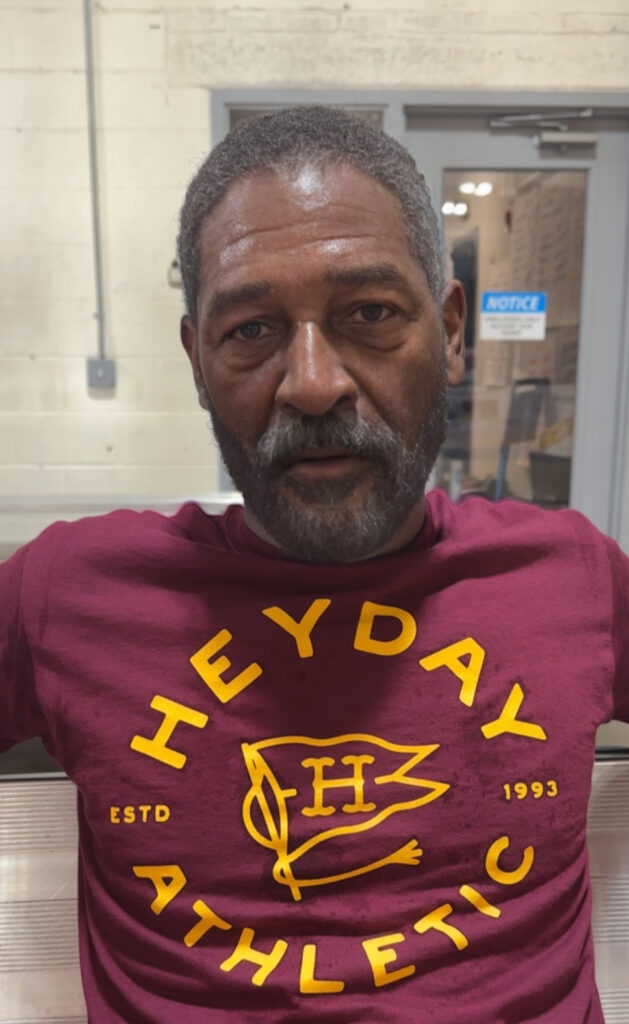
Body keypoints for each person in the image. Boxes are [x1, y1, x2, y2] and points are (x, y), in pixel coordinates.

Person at [1, 105, 628, 1023]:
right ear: (196, 361)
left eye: (369, 315)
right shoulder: (71, 593)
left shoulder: (573, 579)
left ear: (451, 332)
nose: (311, 382)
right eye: (250, 330)